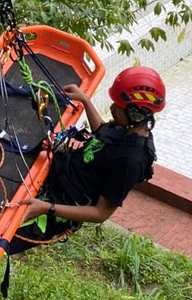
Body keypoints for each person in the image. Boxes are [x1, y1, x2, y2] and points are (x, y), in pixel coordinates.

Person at [10, 66, 165, 253]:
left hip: (53, 210)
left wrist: (46, 208)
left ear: (135, 114)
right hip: (51, 180)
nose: (112, 109)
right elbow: (103, 133)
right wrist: (85, 100)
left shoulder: (130, 161)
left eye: (118, 107)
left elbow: (100, 213)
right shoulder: (128, 129)